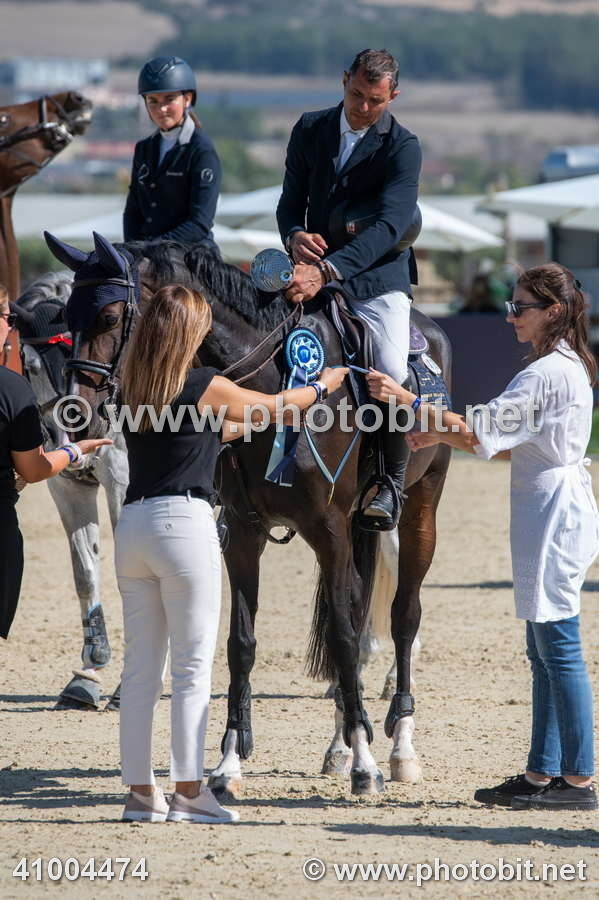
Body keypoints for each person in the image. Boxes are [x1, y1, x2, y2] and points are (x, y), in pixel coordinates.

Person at [367, 262, 599, 812]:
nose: (511, 316)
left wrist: (404, 400)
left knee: (559, 647)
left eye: (521, 307)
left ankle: (578, 778)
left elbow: (479, 430)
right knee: (542, 649)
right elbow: (501, 441)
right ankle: (542, 772)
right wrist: (438, 431)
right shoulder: (561, 364)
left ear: (553, 311)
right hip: (547, 504)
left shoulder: (547, 373)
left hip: (552, 513)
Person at [116, 283, 347, 823]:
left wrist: (267, 419)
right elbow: (276, 404)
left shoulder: (135, 385)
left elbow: (210, 433)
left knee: (141, 671)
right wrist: (321, 386)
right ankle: (190, 793)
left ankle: (140, 795)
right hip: (182, 527)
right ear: (186, 333)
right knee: (192, 669)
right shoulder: (206, 384)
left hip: (134, 526)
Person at [276, 48, 421, 529]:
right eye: (357, 94)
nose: (362, 107)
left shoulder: (403, 147)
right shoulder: (310, 128)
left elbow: (389, 228)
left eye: (375, 100)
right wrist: (294, 235)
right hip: (310, 270)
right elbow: (289, 202)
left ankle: (389, 483)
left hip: (376, 278)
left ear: (392, 96)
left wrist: (330, 270)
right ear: (344, 81)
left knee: (391, 369)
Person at [0, 284, 111, 641]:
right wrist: (75, 451)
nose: (9, 325)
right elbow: (34, 470)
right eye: (6, 317)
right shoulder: (12, 389)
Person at [123, 56, 221, 252]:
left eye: (169, 99)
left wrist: (152, 248)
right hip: (148, 254)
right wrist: (132, 251)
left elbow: (199, 222)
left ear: (187, 99)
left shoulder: (202, 150)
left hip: (191, 254)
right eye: (153, 101)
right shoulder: (143, 149)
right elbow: (133, 211)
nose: (161, 109)